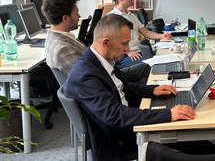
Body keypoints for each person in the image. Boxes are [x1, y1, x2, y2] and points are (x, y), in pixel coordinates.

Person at [64, 14, 196, 161]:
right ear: (106, 42)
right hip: (119, 142)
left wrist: (152, 90)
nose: (127, 49)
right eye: (124, 44)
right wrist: (168, 114)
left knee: (194, 139)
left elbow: (123, 88)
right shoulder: (86, 76)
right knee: (188, 140)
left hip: (126, 127)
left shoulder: (99, 61)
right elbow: (115, 115)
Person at [42, 0, 150, 84]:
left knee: (147, 68)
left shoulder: (62, 38)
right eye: (76, 13)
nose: (79, 16)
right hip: (106, 79)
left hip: (106, 71)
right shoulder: (62, 49)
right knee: (148, 75)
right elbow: (91, 81)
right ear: (65, 18)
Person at [107, 0, 172, 68]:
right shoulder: (111, 18)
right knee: (154, 65)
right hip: (124, 56)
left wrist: (162, 36)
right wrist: (128, 52)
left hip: (139, 51)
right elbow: (111, 42)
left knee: (165, 57)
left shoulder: (132, 16)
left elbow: (146, 32)